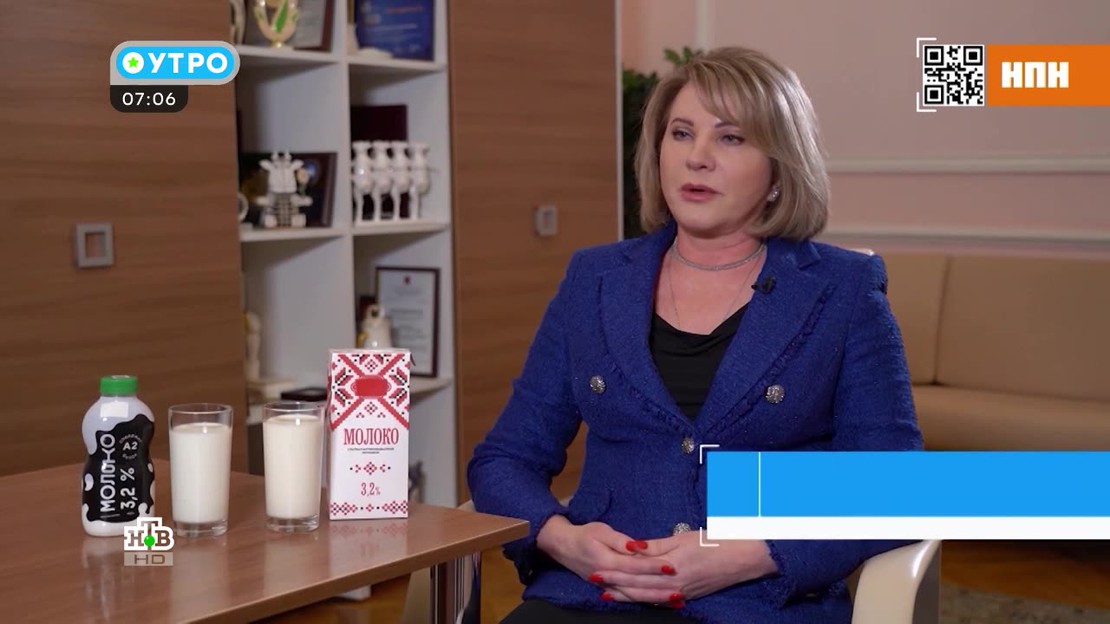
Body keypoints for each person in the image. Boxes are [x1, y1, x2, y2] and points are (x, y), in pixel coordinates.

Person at [467, 46, 923, 624]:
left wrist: (748, 556)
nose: (697, 158)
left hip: (757, 603)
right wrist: (563, 539)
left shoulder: (845, 288)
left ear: (779, 169)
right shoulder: (594, 279)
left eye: (730, 138)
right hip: (594, 595)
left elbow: (897, 485)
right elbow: (504, 458)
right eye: (681, 134)